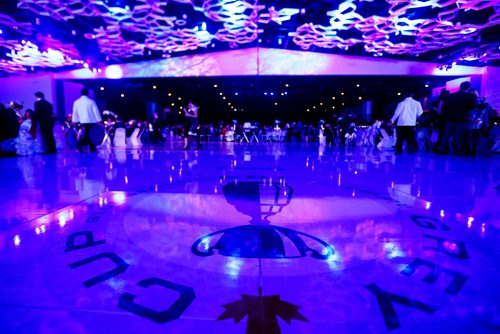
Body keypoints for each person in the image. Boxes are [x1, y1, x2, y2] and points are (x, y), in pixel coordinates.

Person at [437, 82, 476, 155]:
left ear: (460, 87)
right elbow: (472, 107)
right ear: (468, 88)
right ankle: (456, 152)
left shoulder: (451, 96)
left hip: (450, 118)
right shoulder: (470, 96)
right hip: (461, 118)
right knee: (458, 136)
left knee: (446, 135)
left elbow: (446, 106)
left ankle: (441, 149)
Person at [72, 88, 102, 152]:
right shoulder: (91, 101)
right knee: (92, 134)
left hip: (82, 121)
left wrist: (74, 121)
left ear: (81, 93)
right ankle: (89, 146)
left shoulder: (77, 102)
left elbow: (75, 112)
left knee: (85, 134)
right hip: (92, 121)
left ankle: (82, 144)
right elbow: (95, 111)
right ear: (87, 93)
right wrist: (99, 120)